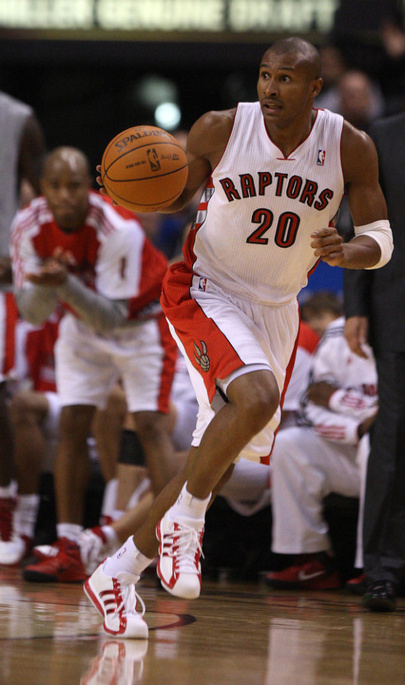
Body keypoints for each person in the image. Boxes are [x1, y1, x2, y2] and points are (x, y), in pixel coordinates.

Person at [84, 36, 393, 639]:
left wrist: (350, 249)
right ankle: (187, 524)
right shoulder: (221, 130)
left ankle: (117, 574)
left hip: (277, 309)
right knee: (254, 400)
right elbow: (171, 190)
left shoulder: (349, 147)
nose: (271, 88)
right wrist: (122, 187)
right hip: (206, 289)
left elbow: (381, 237)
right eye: (264, 76)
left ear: (313, 88)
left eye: (285, 79)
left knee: (217, 461)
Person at [10, 146, 178, 587]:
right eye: (55, 185)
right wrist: (50, 287)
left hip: (141, 323)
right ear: (43, 188)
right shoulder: (27, 224)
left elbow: (113, 317)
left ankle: (172, 544)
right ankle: (69, 546)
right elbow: (30, 312)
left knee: (149, 427)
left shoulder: (116, 227)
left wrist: (60, 283)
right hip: (81, 324)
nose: (65, 195)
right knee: (72, 421)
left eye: (75, 185)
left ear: (89, 188)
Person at [266, 311, 378, 590]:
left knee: (374, 445)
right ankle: (313, 559)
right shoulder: (339, 330)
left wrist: (338, 400)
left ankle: (374, 567)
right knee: (289, 445)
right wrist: (359, 423)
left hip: (391, 454)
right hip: (354, 442)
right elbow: (312, 402)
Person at [344, 109, 405, 611]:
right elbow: (360, 222)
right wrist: (355, 306)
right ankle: (381, 569)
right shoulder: (381, 137)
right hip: (396, 308)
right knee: (393, 436)